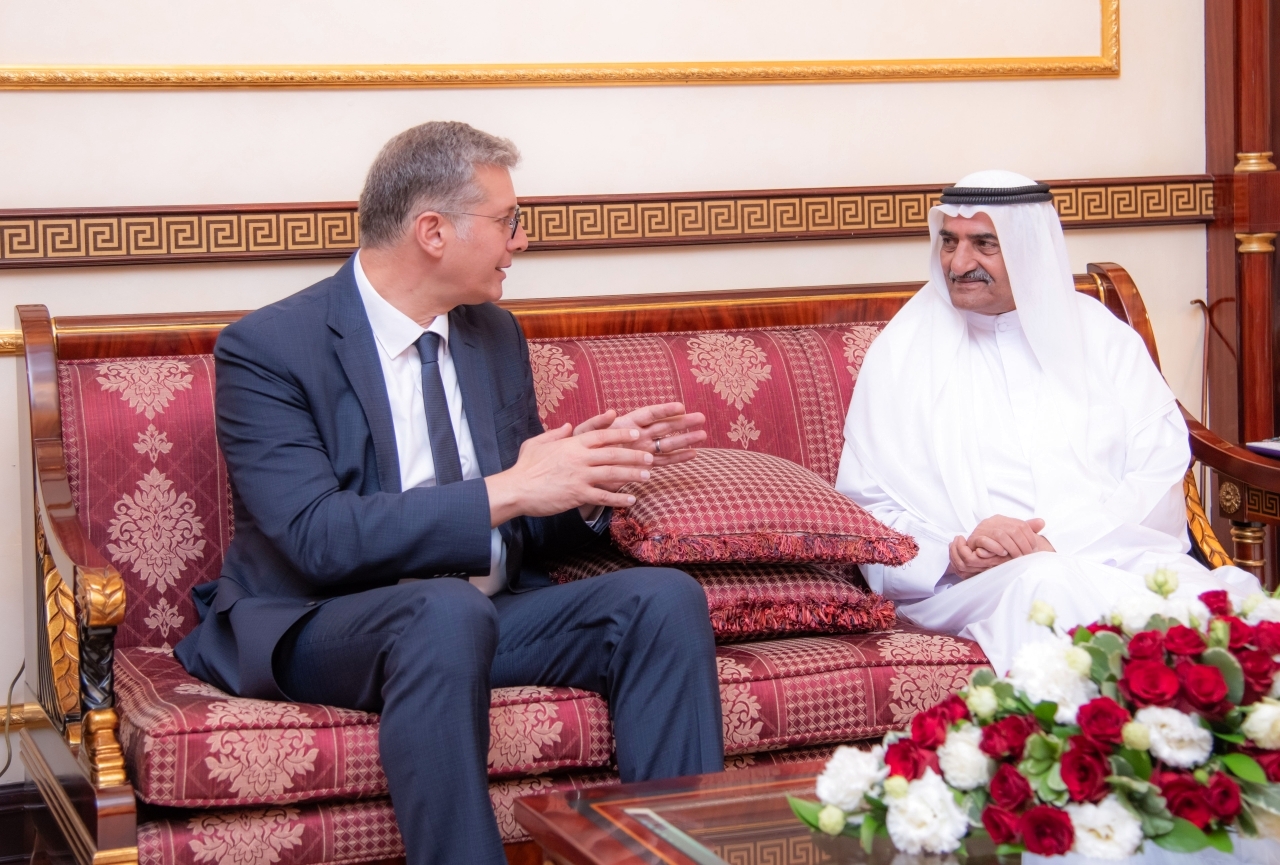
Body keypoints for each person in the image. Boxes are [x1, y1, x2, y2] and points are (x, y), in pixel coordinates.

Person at [174, 121, 724, 865]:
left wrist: (592, 477)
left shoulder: (492, 335)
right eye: (508, 221)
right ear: (433, 232)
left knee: (662, 600)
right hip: (324, 623)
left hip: (480, 618)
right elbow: (316, 537)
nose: (520, 241)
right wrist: (511, 487)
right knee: (443, 610)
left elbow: (523, 518)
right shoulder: (270, 349)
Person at [834, 169, 1261, 676]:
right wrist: (951, 554)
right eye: (949, 242)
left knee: (1231, 608)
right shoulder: (902, 352)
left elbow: (1156, 471)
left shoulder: (1102, 337)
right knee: (1045, 584)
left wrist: (1056, 541)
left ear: (1029, 248)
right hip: (973, 584)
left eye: (984, 244)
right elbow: (867, 506)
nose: (959, 263)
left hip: (1111, 555)